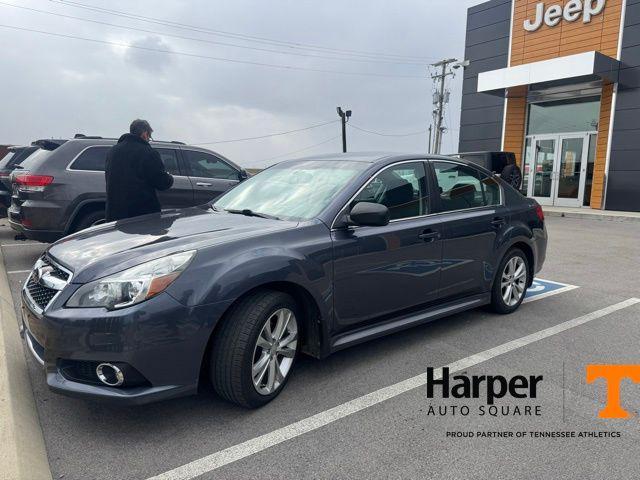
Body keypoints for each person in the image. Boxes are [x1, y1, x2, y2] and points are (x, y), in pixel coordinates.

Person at [105, 119, 174, 221]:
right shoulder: (148, 153)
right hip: (140, 214)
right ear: (145, 134)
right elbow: (161, 182)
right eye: (149, 137)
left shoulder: (112, 151)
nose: (148, 140)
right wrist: (169, 177)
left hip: (115, 213)